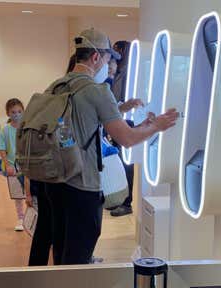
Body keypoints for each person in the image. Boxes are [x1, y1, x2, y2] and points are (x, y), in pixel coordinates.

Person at [38, 28, 178, 265]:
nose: (108, 65)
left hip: (52, 181)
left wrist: (141, 122)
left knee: (61, 245)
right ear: (96, 58)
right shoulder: (97, 90)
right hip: (81, 184)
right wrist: (157, 126)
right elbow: (127, 139)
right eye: (107, 59)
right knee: (79, 251)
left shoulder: (55, 86)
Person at [108, 40, 136, 217]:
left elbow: (125, 98)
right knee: (116, 162)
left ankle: (126, 202)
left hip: (125, 122)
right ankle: (117, 197)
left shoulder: (128, 74)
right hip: (114, 120)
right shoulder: (115, 74)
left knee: (126, 163)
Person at [0, 98, 26, 231]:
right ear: (8, 113)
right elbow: (2, 149)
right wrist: (7, 165)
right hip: (12, 167)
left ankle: (33, 217)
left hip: (27, 166)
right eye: (13, 112)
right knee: (18, 195)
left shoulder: (27, 128)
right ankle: (20, 218)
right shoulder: (5, 131)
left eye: (19, 111)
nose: (16, 114)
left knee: (31, 193)